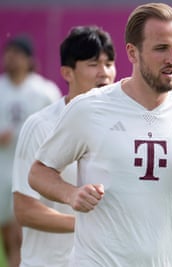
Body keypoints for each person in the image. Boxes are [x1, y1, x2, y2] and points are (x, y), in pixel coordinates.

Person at [28, 3, 172, 266]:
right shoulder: (89, 108)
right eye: (160, 48)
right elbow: (39, 172)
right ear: (132, 53)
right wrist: (70, 194)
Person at [12, 25, 116, 267]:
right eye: (93, 64)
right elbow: (25, 210)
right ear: (67, 73)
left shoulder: (122, 128)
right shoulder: (40, 126)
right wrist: (84, 225)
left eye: (109, 63)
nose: (104, 73)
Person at [0, 35, 61, 267]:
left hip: (28, 172)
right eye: (9, 53)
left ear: (28, 59)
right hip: (2, 169)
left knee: (20, 235)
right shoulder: (1, 89)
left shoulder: (43, 91)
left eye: (17, 54)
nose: (11, 58)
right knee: (7, 235)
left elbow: (57, 128)